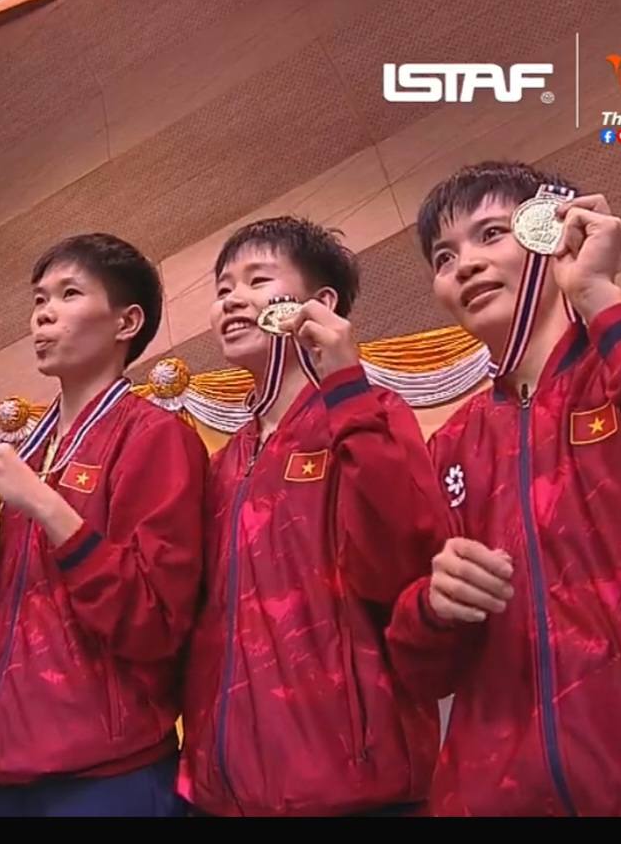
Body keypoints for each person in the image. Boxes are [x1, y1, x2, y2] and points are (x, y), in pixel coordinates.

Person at [387, 160, 621, 815]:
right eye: (444, 256)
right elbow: (420, 669)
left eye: (492, 233)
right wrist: (434, 605)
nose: (465, 263)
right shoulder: (452, 445)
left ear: (550, 231)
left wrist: (601, 298)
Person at [176, 217, 443, 816]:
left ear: (320, 303)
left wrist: (345, 388)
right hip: (224, 792)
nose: (233, 299)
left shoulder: (372, 414)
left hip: (354, 791)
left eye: (257, 279)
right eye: (223, 289)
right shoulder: (227, 460)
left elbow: (405, 566)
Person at [0, 233, 208, 816]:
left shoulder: (156, 436)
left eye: (69, 294)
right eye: (39, 299)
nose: (43, 313)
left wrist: (46, 505)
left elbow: (154, 619)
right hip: (2, 768)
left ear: (127, 322)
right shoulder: (34, 450)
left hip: (104, 773)